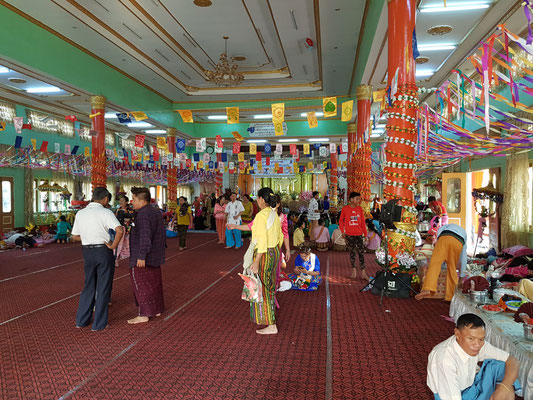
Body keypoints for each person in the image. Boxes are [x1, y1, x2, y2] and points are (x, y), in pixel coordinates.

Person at [427, 313, 521, 400]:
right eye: (471, 338)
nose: (477, 345)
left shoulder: (478, 343)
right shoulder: (444, 359)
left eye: (481, 339)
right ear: (457, 333)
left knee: (501, 366)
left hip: (472, 386)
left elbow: (512, 361)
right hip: (453, 395)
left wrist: (505, 387)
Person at [71, 187, 123, 331]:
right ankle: (99, 324)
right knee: (103, 287)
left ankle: (81, 321)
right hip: (103, 251)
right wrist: (113, 245)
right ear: (106, 199)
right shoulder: (106, 212)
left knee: (88, 286)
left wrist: (89, 237)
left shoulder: (80, 213)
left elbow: (75, 236)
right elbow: (120, 230)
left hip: (87, 252)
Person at [127, 187, 166, 324]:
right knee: (154, 283)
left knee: (142, 285)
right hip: (155, 255)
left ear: (142, 201)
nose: (132, 202)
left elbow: (145, 236)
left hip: (144, 256)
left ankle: (144, 313)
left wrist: (141, 255)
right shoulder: (155, 212)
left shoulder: (143, 215)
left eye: (135, 200)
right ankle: (157, 309)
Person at [249, 187, 283, 335]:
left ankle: (271, 324)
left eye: (257, 198)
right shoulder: (273, 214)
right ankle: (267, 318)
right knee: (268, 286)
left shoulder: (262, 216)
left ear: (261, 199)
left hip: (265, 253)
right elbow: (280, 236)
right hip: (274, 250)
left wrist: (256, 261)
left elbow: (261, 240)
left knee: (264, 288)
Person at [415, 223, 467, 302]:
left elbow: (439, 230)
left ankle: (428, 288)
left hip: (443, 239)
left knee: (434, 263)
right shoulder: (464, 236)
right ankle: (450, 296)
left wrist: (439, 242)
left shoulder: (448, 226)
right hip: (457, 243)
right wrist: (461, 278)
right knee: (451, 268)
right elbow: (464, 258)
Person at [339, 192, 369, 280]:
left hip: (359, 234)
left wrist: (365, 234)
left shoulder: (360, 209)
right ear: (351, 200)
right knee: (352, 253)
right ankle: (354, 270)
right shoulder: (345, 209)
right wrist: (342, 231)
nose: (358, 201)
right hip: (349, 234)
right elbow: (341, 221)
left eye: (359, 199)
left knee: (361, 253)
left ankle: (363, 272)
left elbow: (363, 222)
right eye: (357, 199)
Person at [115, 195, 134, 266]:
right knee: (118, 244)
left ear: (126, 202)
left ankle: (129, 258)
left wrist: (128, 220)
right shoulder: (118, 210)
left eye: (122, 201)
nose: (120, 202)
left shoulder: (130, 210)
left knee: (128, 244)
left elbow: (133, 218)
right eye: (120, 200)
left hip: (128, 230)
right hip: (120, 229)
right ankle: (116, 258)